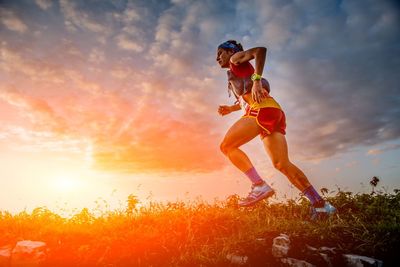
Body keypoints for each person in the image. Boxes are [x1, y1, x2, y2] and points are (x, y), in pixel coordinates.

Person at [216, 40, 336, 219]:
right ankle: (321, 206)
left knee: (227, 146)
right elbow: (245, 98)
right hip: (273, 111)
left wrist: (257, 80)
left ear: (230, 51)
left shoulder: (235, 58)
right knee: (281, 164)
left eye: (220, 53)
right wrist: (230, 108)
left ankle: (259, 185)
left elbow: (259, 51)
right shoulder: (237, 70)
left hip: (261, 111)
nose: (217, 58)